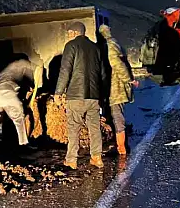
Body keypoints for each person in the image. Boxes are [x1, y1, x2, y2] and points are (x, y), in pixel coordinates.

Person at [55, 21, 106, 169]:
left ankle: (71, 160)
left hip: (76, 95)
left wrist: (59, 92)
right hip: (94, 96)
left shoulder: (71, 46)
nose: (69, 36)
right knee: (94, 127)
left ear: (75, 33)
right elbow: (102, 75)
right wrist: (101, 95)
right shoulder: (96, 48)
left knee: (74, 128)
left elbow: (65, 71)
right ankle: (96, 157)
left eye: (70, 33)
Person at [98, 24, 139, 156]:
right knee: (116, 115)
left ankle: (122, 149)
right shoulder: (113, 44)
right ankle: (119, 145)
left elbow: (116, 64)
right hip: (114, 86)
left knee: (117, 115)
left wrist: (128, 79)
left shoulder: (109, 45)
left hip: (115, 87)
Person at [0, 57, 43, 148]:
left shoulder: (6, 70)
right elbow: (35, 76)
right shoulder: (24, 64)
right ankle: (24, 143)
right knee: (18, 118)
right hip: (6, 92)